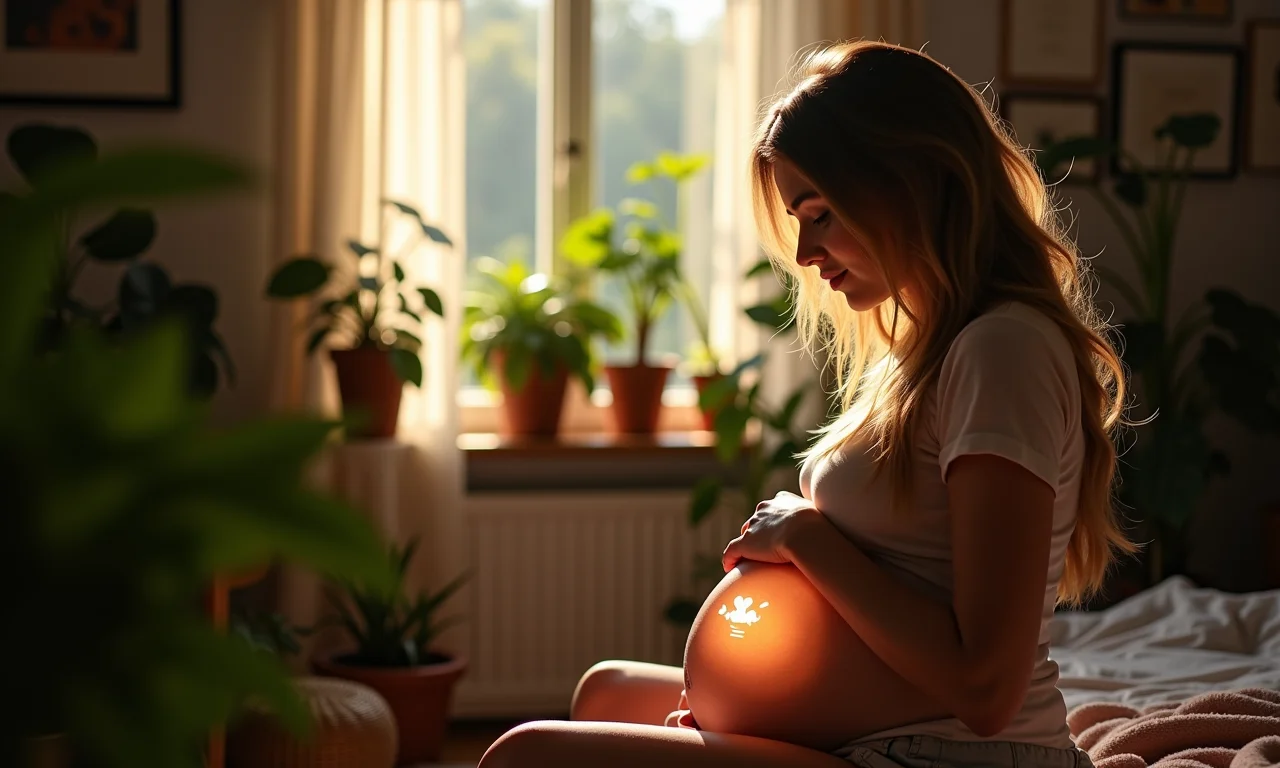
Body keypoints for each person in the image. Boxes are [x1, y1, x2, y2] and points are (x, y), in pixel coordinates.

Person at [478, 39, 1131, 768]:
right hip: (881, 734)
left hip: (945, 753)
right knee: (607, 692)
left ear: (909, 183)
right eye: (798, 218)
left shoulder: (1001, 350)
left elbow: (985, 688)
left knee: (523, 755)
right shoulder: (929, 352)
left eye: (820, 214)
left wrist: (803, 541)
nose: (805, 252)